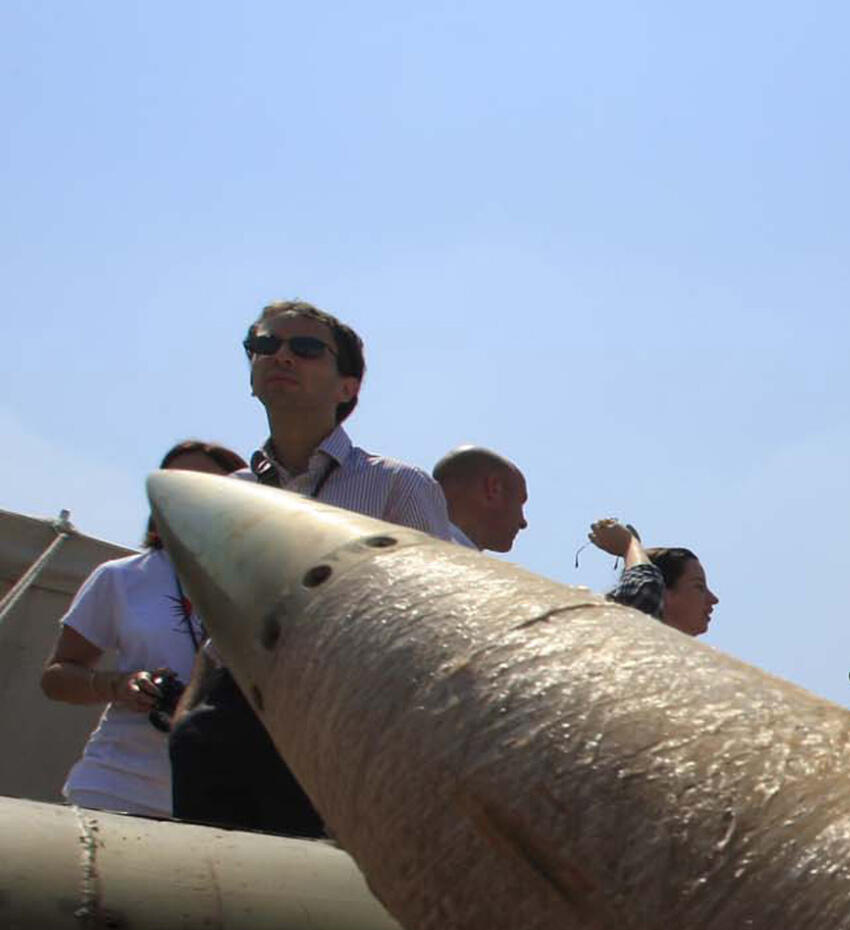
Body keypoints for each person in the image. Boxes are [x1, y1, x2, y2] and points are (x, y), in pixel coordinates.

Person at [168, 300, 467, 837]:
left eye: (305, 348)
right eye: (265, 346)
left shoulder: (400, 486)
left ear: (347, 387)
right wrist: (188, 717)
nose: (281, 356)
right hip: (226, 718)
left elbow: (435, 618)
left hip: (339, 715)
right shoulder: (230, 496)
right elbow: (220, 630)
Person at [40, 440, 245, 818]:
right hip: (114, 787)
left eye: (203, 486)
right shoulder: (121, 577)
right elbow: (56, 676)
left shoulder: (260, 586)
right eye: (170, 484)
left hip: (219, 800)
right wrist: (118, 685)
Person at [588, 519, 717, 635]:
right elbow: (646, 589)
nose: (713, 599)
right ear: (664, 592)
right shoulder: (627, 633)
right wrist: (630, 545)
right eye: (699, 587)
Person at [432, 446, 529, 554]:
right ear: (494, 488)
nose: (523, 522)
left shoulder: (415, 550)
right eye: (520, 503)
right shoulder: (450, 563)